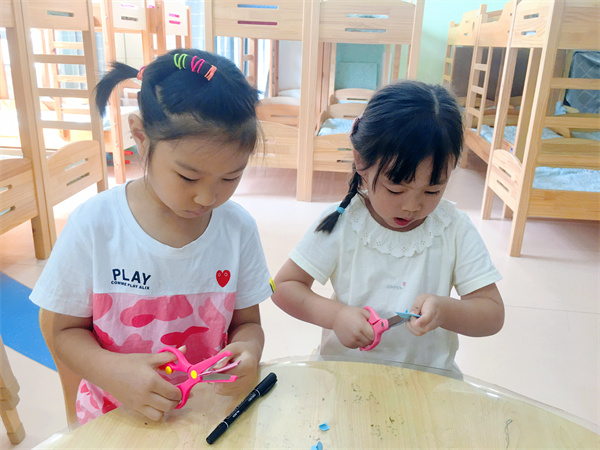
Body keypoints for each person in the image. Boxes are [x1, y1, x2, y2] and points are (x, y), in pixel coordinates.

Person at [31, 49, 273, 425]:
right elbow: (61, 331)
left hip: (204, 417)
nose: (207, 198)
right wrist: (112, 371)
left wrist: (248, 349)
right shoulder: (95, 225)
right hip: (116, 419)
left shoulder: (237, 229)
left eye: (230, 178)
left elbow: (248, 323)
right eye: (188, 177)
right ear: (141, 138)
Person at [271, 80, 504, 373]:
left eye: (432, 191)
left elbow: (492, 313)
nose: (412, 206)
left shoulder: (453, 228)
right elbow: (283, 287)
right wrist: (336, 316)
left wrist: (446, 310)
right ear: (361, 161)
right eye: (396, 189)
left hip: (426, 382)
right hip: (345, 375)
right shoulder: (343, 221)